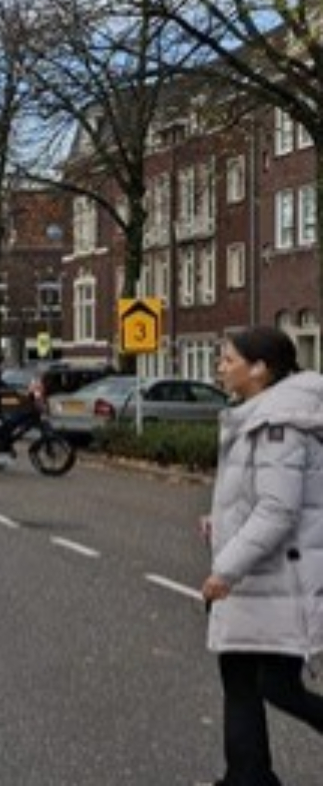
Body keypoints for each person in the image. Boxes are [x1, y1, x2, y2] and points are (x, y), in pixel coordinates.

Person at [199, 325, 323, 786]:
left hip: (277, 579)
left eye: (228, 359)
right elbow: (259, 500)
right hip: (260, 578)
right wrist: (220, 523)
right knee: (239, 676)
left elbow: (277, 510)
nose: (220, 367)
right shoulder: (259, 416)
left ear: (259, 369)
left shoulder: (278, 425)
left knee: (276, 686)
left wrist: (225, 570)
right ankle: (247, 776)